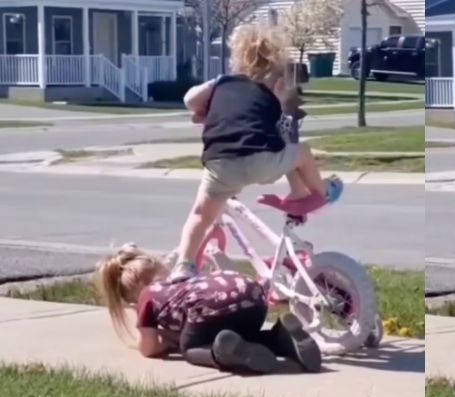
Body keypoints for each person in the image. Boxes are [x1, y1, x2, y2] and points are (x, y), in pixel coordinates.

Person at [171, 24, 343, 282]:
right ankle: (319, 192)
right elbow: (284, 121)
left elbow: (190, 101)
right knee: (300, 151)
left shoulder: (223, 83)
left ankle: (183, 266)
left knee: (199, 215)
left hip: (220, 164)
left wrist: (206, 107)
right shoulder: (275, 84)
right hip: (262, 159)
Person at [95, 243, 322, 374]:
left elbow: (149, 348)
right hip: (253, 300)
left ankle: (224, 352)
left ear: (132, 294)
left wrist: (156, 338)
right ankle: (281, 338)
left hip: (211, 310)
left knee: (190, 348)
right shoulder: (182, 279)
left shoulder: (147, 296)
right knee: (241, 334)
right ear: (158, 266)